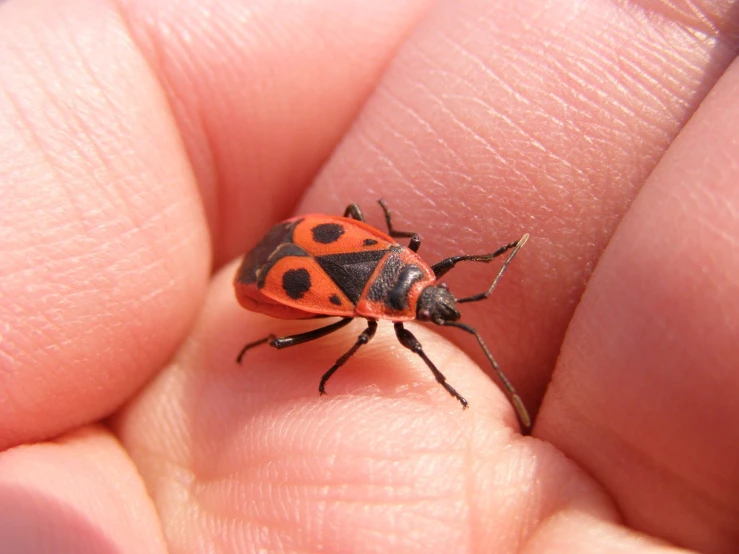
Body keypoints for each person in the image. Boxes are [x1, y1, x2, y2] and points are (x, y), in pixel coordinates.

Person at [1, 0, 737, 552]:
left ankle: (276, 345)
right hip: (282, 271)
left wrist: (480, 264)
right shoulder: (387, 298)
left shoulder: (400, 270)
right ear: (416, 284)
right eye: (437, 301)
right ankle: (281, 347)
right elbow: (364, 333)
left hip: (318, 262)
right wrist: (444, 376)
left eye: (437, 303)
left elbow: (398, 300)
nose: (443, 307)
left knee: (334, 326)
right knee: (322, 334)